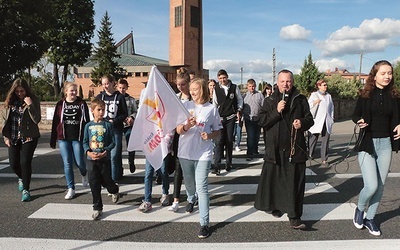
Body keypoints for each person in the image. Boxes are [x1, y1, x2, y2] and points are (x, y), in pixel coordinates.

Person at [254, 69, 314, 229]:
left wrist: (302, 122)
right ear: (277, 83)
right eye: (282, 82)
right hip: (274, 149)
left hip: (294, 149)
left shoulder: (300, 99)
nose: (285, 85)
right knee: (276, 182)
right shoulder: (270, 100)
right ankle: (276, 206)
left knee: (294, 183)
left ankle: (295, 217)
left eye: (288, 81)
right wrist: (276, 111)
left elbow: (310, 120)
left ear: (292, 82)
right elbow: (261, 121)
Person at [351, 60, 400, 236]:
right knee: (371, 185)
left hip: (386, 144)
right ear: (375, 75)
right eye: (383, 73)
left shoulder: (395, 96)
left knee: (380, 186)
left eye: (390, 73)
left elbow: (398, 116)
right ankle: (360, 209)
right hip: (367, 143)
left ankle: (370, 219)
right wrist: (359, 121)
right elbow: (355, 114)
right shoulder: (365, 95)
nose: (387, 76)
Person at [176, 78, 222, 238]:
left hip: (204, 153)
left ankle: (204, 223)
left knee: (202, 187)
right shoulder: (185, 106)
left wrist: (209, 135)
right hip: (185, 152)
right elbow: (178, 130)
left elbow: (218, 131)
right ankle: (190, 198)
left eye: (196, 89)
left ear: (203, 89)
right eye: (191, 89)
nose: (193, 92)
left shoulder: (212, 109)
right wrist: (188, 125)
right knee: (189, 183)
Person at [2, 78, 41, 202]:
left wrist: (30, 105)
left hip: (29, 137)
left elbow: (37, 119)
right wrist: (6, 137)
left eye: (22, 91)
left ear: (26, 90)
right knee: (13, 163)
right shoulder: (9, 102)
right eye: (17, 91)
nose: (20, 93)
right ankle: (21, 178)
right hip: (13, 137)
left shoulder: (33, 99)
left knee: (25, 163)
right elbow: (4, 121)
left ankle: (26, 190)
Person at [50, 82, 90, 200]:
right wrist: (53, 139)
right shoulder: (60, 104)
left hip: (77, 138)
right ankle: (71, 188)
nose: (74, 93)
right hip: (63, 138)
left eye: (75, 90)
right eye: (71, 90)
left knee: (79, 162)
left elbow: (86, 121)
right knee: (67, 163)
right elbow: (55, 121)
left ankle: (84, 173)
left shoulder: (81, 104)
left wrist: (87, 138)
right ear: (66, 91)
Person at [82, 99, 120, 220]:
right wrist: (88, 152)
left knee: (107, 181)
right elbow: (84, 141)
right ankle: (97, 207)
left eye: (103, 109)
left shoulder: (108, 125)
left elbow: (113, 142)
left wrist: (106, 151)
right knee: (94, 183)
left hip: (104, 159)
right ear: (92, 111)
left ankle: (114, 190)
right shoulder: (88, 126)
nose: (101, 112)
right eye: (98, 110)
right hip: (91, 159)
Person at [168, 67, 192, 212]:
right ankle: (176, 199)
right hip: (179, 135)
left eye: (183, 84)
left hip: (192, 137)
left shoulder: (195, 98)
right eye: (178, 84)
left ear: (188, 83)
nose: (180, 87)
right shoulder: (176, 99)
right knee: (178, 168)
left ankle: (191, 197)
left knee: (189, 169)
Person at [96, 75, 128, 182]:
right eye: (103, 84)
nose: (105, 86)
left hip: (116, 130)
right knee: (104, 156)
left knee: (114, 156)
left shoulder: (119, 97)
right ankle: (106, 178)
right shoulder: (100, 97)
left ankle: (113, 181)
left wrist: (114, 121)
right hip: (102, 130)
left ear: (112, 83)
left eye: (107, 83)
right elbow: (94, 110)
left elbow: (124, 114)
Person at [212, 70, 243, 174]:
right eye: (220, 78)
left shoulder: (234, 87)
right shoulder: (216, 89)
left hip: (231, 117)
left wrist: (239, 110)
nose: (222, 80)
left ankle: (229, 163)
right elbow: (214, 104)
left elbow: (239, 99)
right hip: (220, 119)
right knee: (219, 142)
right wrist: (214, 117)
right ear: (218, 79)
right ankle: (217, 165)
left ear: (227, 77)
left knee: (229, 141)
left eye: (224, 78)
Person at [137, 137, 174, 212]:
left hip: (163, 150)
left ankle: (165, 193)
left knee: (163, 172)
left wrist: (162, 147)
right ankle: (147, 201)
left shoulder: (167, 124)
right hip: (151, 149)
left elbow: (170, 135)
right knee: (148, 174)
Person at [307, 79, 334, 165]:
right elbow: (308, 105)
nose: (325, 86)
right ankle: (310, 154)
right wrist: (315, 102)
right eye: (323, 85)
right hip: (317, 121)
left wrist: (332, 118)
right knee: (313, 138)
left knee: (325, 140)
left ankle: (324, 158)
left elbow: (331, 108)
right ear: (319, 86)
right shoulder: (314, 95)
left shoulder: (329, 96)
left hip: (326, 121)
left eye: (326, 85)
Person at [116, 79, 138, 173]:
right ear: (117, 87)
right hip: (118, 125)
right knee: (118, 147)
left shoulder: (131, 100)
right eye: (120, 88)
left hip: (128, 126)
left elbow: (135, 111)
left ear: (127, 88)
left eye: (124, 88)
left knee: (130, 145)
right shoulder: (115, 99)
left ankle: (131, 160)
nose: (122, 90)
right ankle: (119, 167)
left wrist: (132, 118)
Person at [243, 79, 264, 161]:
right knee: (250, 136)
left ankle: (255, 149)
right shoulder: (244, 96)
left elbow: (263, 105)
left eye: (253, 86)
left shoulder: (259, 95)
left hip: (258, 118)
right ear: (247, 87)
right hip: (249, 118)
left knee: (257, 135)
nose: (252, 88)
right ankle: (249, 153)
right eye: (250, 86)